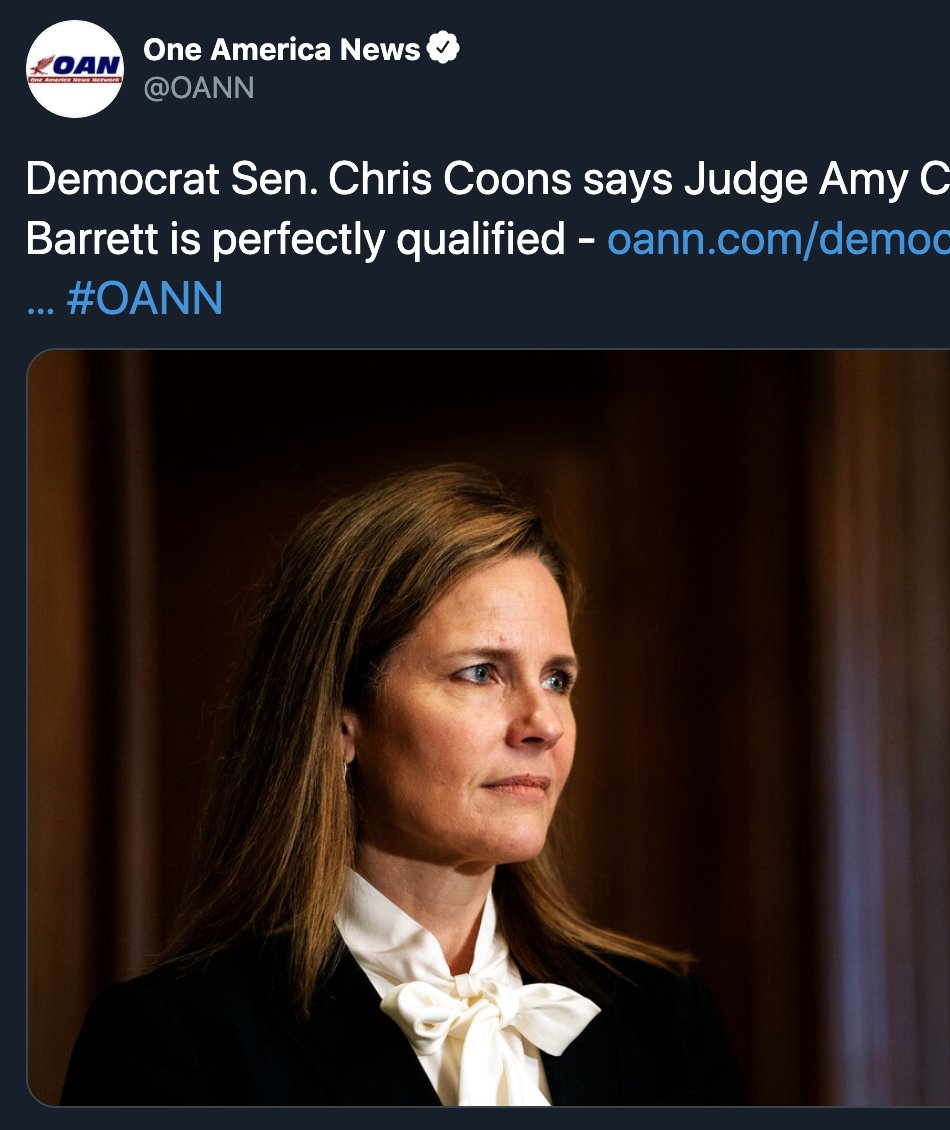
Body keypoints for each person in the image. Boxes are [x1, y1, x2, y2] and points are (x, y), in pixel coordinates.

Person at [60, 464, 746, 1106]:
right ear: (341, 721)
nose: (544, 723)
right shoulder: (179, 1042)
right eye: (480, 672)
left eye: (557, 679)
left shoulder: (666, 1017)